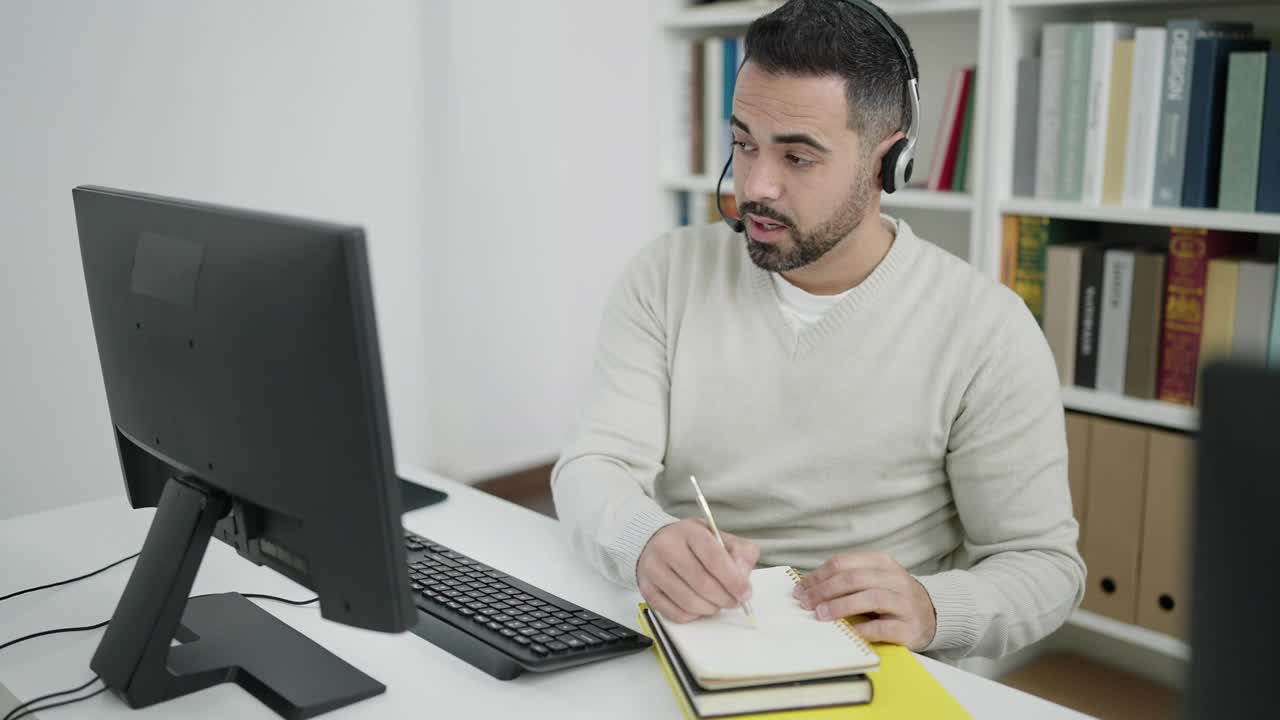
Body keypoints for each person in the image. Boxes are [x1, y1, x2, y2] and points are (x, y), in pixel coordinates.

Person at [550, 0, 1084, 660]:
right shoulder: (667, 274)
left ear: (889, 164)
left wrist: (934, 606)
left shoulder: (986, 331)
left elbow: (1045, 566)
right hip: (688, 632)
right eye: (744, 144)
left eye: (797, 157)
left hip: (873, 661)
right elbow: (591, 465)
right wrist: (644, 540)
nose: (756, 186)